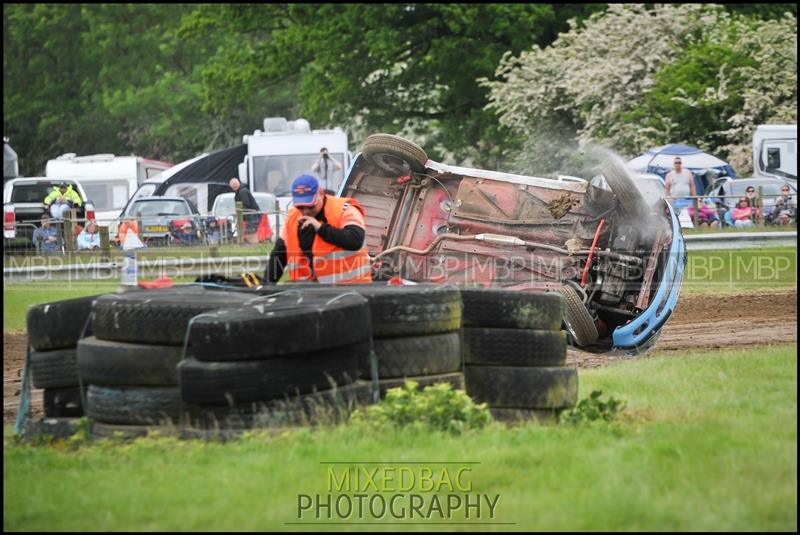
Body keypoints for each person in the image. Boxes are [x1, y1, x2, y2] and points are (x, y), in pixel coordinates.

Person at [265, 174, 372, 284]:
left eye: (310, 206)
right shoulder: (293, 216)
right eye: (300, 207)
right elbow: (279, 254)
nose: (305, 211)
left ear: (321, 194)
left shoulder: (345, 209)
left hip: (352, 289)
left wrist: (320, 228)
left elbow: (355, 240)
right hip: (312, 291)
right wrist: (266, 285)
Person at [229, 177, 261, 244]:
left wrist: (240, 212)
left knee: (251, 231)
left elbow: (246, 204)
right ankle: (251, 244)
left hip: (252, 214)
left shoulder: (242, 191)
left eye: (234, 185)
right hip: (251, 214)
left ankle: (253, 245)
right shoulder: (240, 191)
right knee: (249, 231)